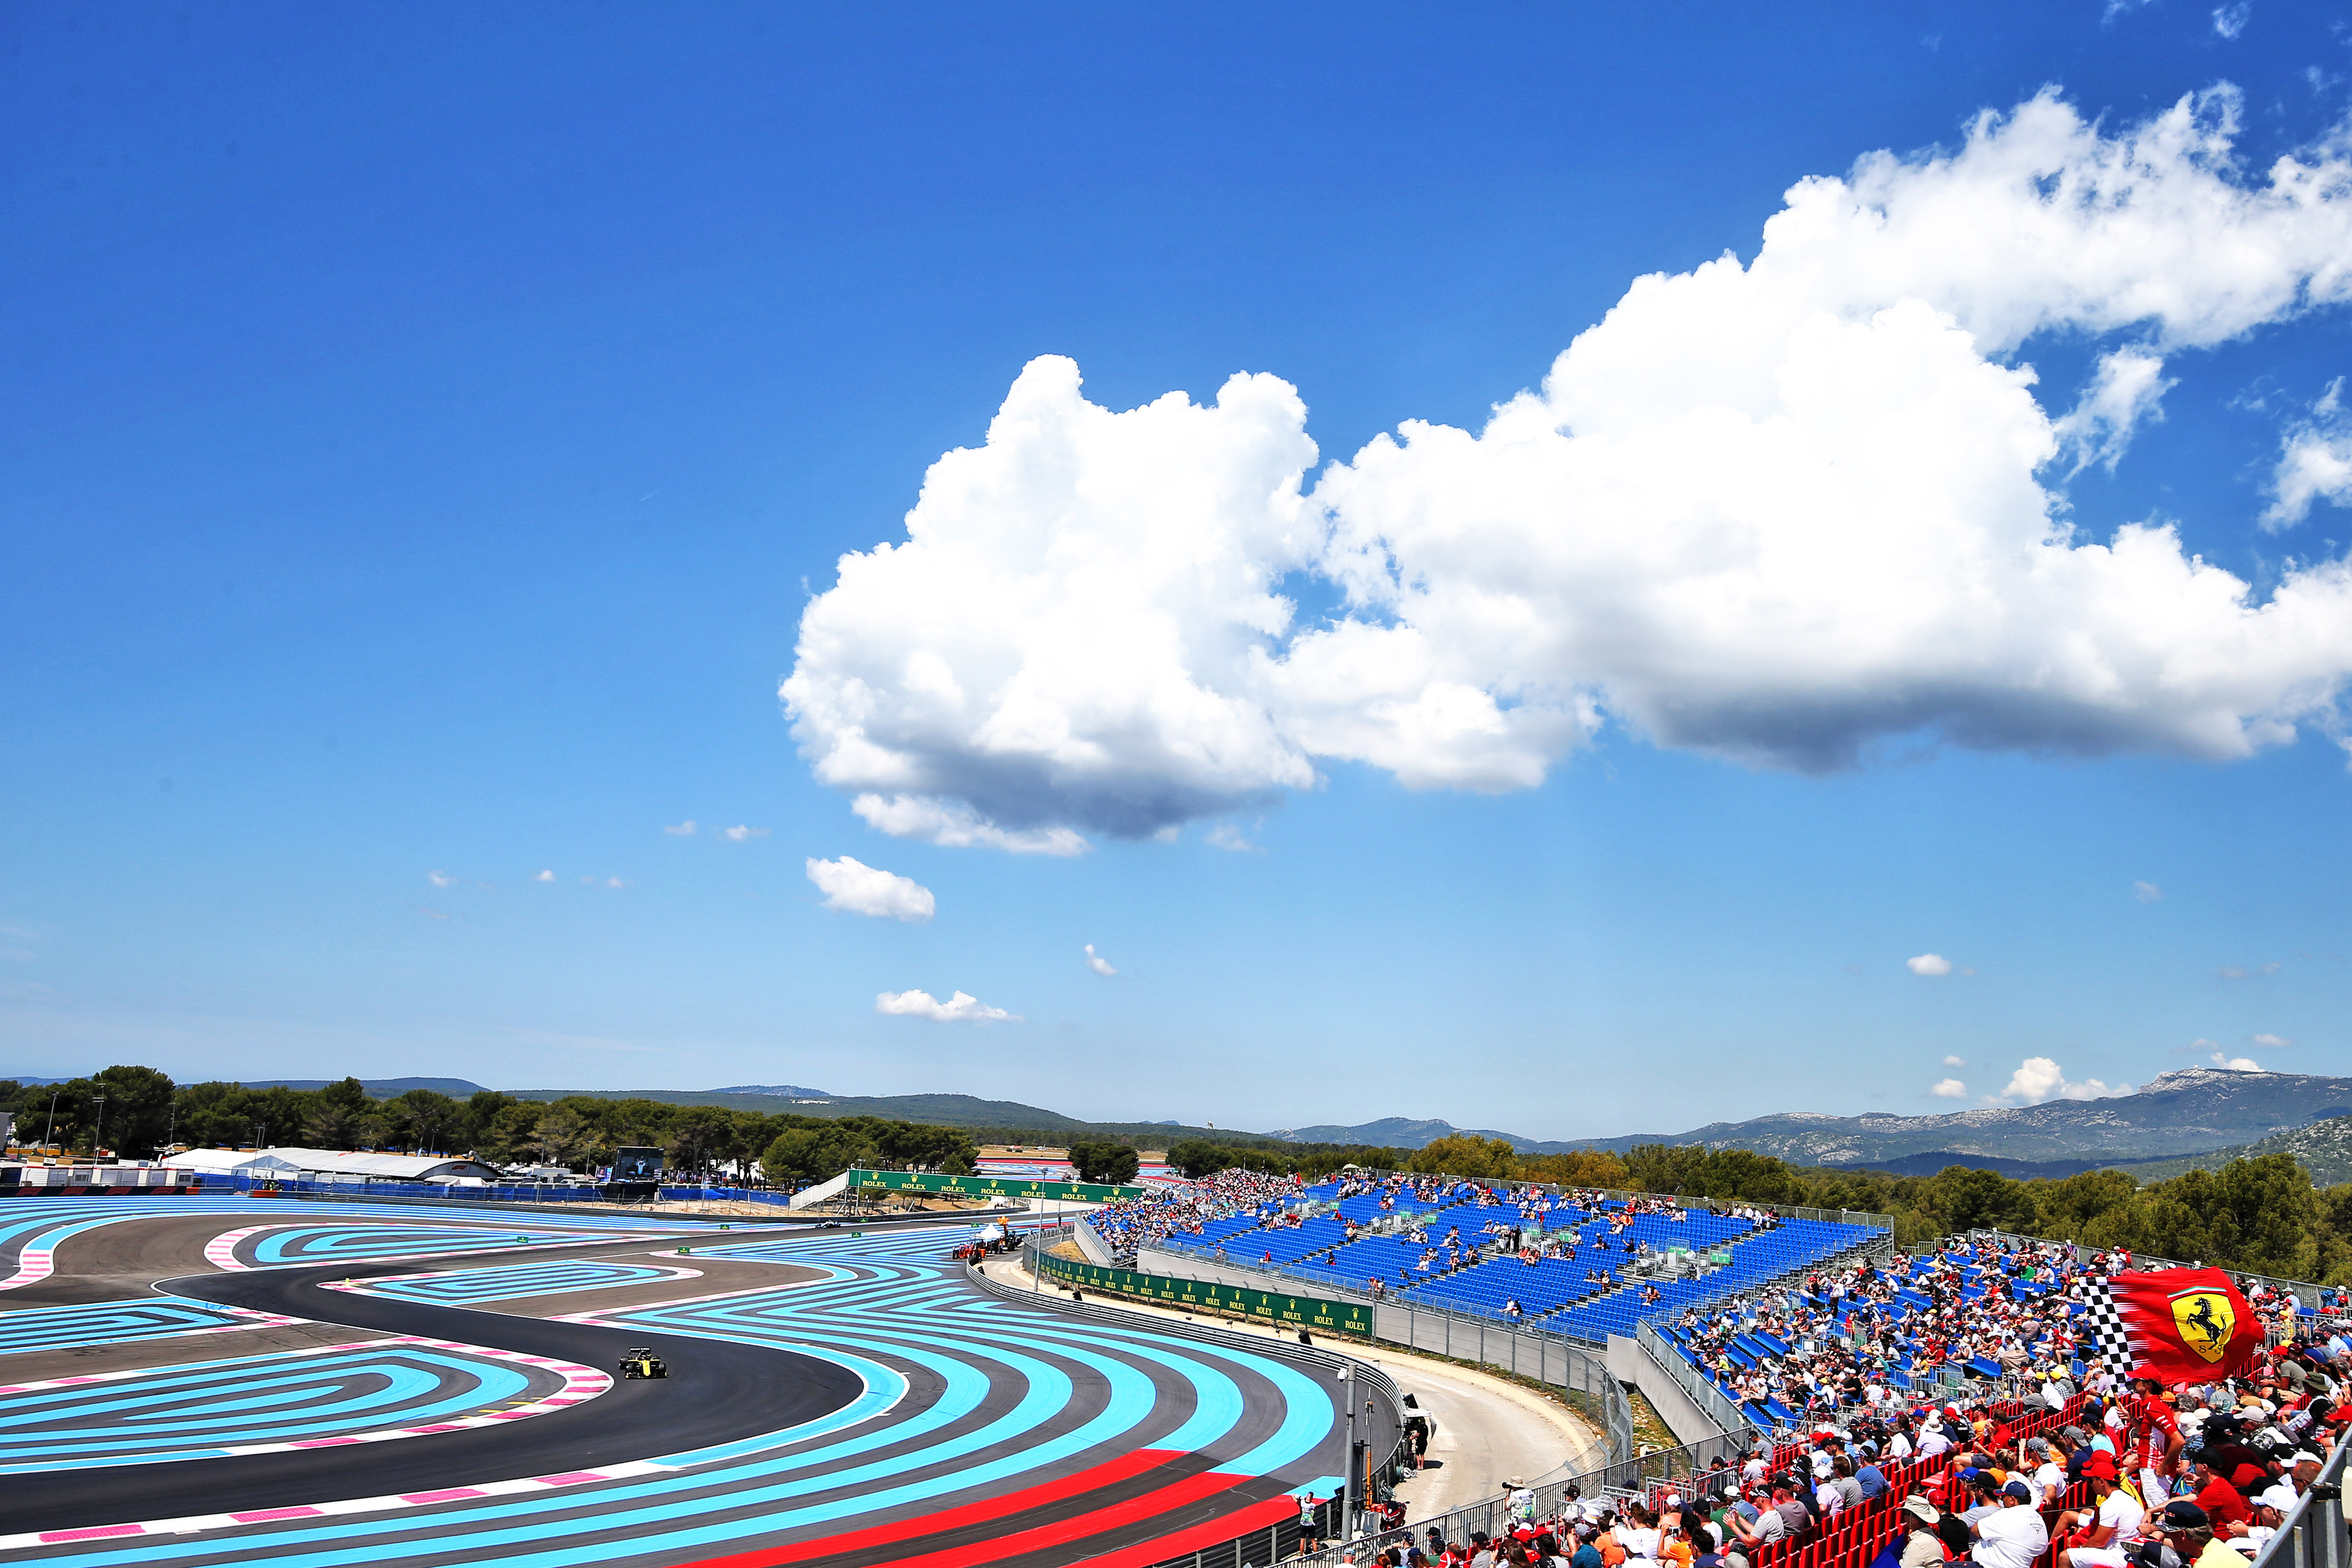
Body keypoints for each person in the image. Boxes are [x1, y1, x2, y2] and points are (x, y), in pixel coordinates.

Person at [2057, 1456, 2144, 1568]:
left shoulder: (2111, 1504)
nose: (2091, 1485)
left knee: (2065, 1557)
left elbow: (2099, 1542)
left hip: (2122, 1556)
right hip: (2129, 1548)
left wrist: (2081, 1548)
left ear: (2102, 1482)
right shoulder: (2125, 1497)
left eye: (2091, 1481)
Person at [1970, 1480, 2050, 1568]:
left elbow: (1975, 1530)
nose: (2002, 1500)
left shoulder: (2007, 1515)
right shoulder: (2038, 1518)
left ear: (2012, 1499)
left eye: (2004, 1497)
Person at [1898, 1496, 1946, 1568]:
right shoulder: (1932, 1537)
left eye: (1904, 1514)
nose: (1904, 1518)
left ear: (1913, 1518)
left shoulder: (1917, 1545)